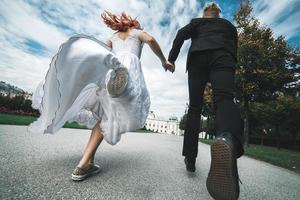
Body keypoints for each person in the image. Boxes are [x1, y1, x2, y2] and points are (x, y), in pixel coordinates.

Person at [27, 11, 174, 181]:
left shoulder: (114, 36)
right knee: (116, 111)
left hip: (111, 68)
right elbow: (151, 40)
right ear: (133, 24)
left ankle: (85, 163)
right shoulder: (137, 33)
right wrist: (164, 61)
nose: (141, 27)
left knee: (107, 115)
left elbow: (101, 51)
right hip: (130, 69)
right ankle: (84, 163)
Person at [168, 2, 244, 200]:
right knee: (224, 99)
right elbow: (233, 48)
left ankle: (190, 158)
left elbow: (180, 34)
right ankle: (226, 138)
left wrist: (172, 58)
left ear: (205, 14)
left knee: (194, 108)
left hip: (198, 59)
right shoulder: (228, 26)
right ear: (218, 14)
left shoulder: (197, 23)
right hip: (223, 56)